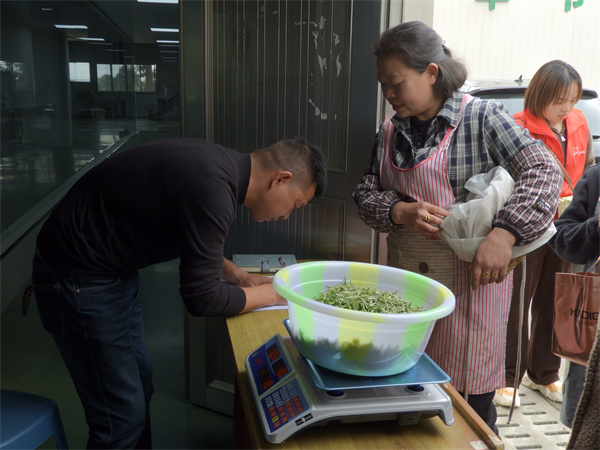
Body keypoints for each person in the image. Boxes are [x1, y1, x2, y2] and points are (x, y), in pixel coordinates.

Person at [28, 136, 327, 448]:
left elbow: (192, 237)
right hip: (78, 279)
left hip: (109, 271)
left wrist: (237, 275)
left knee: (139, 388)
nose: (287, 215)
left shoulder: (219, 168)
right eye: (295, 205)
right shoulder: (214, 189)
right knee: (120, 418)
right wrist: (278, 295)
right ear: (280, 180)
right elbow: (203, 298)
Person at [352, 21, 562, 435]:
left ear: (431, 72)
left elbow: (543, 170)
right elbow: (364, 194)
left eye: (396, 83)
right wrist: (400, 212)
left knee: (467, 415)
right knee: (408, 400)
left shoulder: (481, 118)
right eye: (383, 85)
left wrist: (505, 234)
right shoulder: (390, 131)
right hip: (407, 289)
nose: (389, 94)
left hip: (470, 293)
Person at [496, 61, 595, 409]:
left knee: (558, 299)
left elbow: (588, 169)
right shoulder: (518, 126)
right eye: (559, 100)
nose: (566, 107)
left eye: (572, 99)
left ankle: (544, 373)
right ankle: (506, 376)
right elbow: (504, 178)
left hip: (567, 226)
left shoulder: (579, 122)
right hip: (528, 225)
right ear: (539, 95)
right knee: (517, 301)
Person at [548, 164, 599, 433]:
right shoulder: (596, 178)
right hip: (594, 326)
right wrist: (595, 228)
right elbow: (561, 237)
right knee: (587, 427)